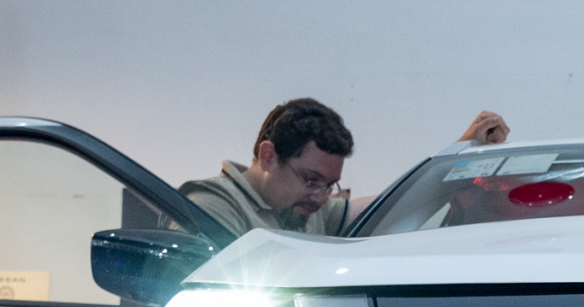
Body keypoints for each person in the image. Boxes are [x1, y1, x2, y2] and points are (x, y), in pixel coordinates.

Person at [182, 99, 511, 240]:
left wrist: (465, 149)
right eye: (311, 181)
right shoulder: (211, 207)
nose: (321, 198)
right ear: (269, 156)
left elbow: (392, 208)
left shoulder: (308, 209)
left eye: (329, 186)